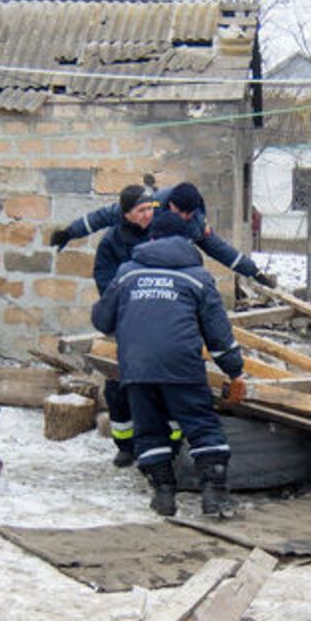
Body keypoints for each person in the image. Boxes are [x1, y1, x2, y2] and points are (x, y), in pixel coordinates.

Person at [91, 211, 246, 518]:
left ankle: (164, 494)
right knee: (201, 425)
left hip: (135, 366)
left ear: (151, 239)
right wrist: (234, 370)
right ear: (189, 242)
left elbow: (101, 319)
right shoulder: (198, 278)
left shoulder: (127, 273)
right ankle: (213, 494)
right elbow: (218, 334)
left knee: (149, 429)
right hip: (181, 365)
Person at [50, 180, 277, 288]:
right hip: (130, 263)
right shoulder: (148, 207)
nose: (184, 218)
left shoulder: (195, 223)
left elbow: (220, 249)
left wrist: (253, 271)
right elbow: (101, 217)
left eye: (189, 215)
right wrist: (70, 232)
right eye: (180, 213)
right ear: (170, 205)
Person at [95, 184, 157, 466]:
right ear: (127, 213)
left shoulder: (162, 234)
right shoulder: (112, 242)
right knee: (118, 385)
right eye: (141, 210)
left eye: (150, 209)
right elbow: (107, 286)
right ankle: (125, 444)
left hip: (158, 321)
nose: (147, 215)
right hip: (124, 322)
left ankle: (161, 443)